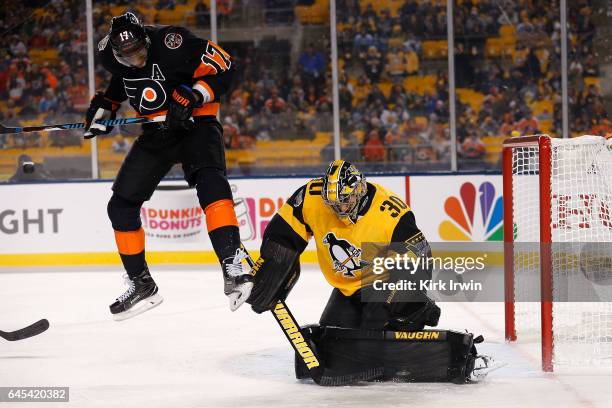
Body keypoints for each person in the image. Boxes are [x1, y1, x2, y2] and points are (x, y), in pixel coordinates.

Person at [84, 12, 252, 321]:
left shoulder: (174, 42)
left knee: (210, 182)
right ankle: (142, 284)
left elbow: (227, 68)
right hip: (156, 132)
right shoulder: (110, 55)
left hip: (195, 124)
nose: (135, 59)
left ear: (146, 39)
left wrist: (194, 94)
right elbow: (125, 82)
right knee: (120, 207)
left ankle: (234, 264)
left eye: (139, 51)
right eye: (127, 55)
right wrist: (104, 107)